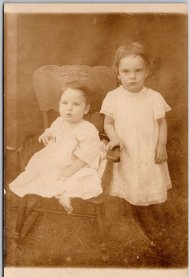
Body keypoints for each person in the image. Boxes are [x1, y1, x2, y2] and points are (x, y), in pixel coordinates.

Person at [9, 83, 105, 214]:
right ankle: (60, 193)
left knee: (76, 179)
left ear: (86, 109)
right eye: (65, 103)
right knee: (44, 174)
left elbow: (87, 156)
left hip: (78, 164)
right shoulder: (60, 121)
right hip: (56, 160)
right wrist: (47, 134)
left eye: (76, 104)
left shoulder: (87, 129)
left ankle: (65, 195)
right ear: (59, 104)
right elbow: (52, 130)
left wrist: (70, 170)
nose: (69, 108)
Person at [100, 41, 172, 210]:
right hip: (126, 147)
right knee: (128, 177)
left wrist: (161, 145)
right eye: (126, 71)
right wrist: (115, 138)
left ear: (146, 71)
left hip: (148, 147)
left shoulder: (154, 97)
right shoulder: (113, 97)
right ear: (118, 73)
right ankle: (128, 205)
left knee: (148, 175)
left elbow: (162, 123)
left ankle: (147, 206)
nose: (132, 77)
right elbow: (108, 123)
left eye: (138, 71)